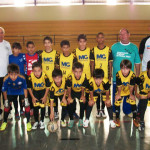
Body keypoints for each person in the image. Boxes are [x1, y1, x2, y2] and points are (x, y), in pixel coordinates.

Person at [111, 28, 141, 115]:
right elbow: (110, 61)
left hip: (129, 78)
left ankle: (127, 111)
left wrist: (137, 75)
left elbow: (137, 62)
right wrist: (110, 73)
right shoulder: (114, 47)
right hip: (117, 77)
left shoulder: (134, 47)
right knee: (116, 94)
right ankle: (115, 110)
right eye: (120, 34)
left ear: (129, 35)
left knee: (129, 94)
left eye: (124, 34)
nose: (122, 36)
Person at [0, 64, 31, 131]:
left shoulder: (22, 78)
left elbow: (25, 88)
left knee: (26, 104)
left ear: (18, 73)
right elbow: (4, 90)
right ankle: (4, 122)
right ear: (8, 74)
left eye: (15, 74)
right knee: (7, 106)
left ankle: (28, 122)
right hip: (11, 92)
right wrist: (6, 100)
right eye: (11, 74)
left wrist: (25, 98)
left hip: (21, 91)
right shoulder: (6, 79)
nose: (13, 77)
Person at [90, 32, 113, 118]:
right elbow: (92, 63)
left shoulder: (108, 50)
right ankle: (98, 110)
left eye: (102, 37)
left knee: (104, 93)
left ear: (104, 39)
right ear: (96, 39)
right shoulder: (93, 50)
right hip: (96, 76)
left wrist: (110, 75)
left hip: (105, 76)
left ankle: (102, 110)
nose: (100, 39)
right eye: (98, 37)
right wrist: (93, 75)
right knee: (97, 93)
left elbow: (110, 63)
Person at [115, 60, 139, 127]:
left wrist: (131, 94)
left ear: (130, 69)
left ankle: (135, 118)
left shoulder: (132, 75)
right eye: (123, 68)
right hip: (121, 91)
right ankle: (117, 118)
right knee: (117, 101)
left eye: (127, 68)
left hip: (128, 91)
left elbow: (132, 86)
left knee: (133, 101)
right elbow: (119, 86)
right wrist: (118, 94)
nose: (124, 71)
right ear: (120, 68)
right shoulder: (118, 74)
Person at [27, 62, 50, 130]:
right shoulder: (30, 77)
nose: (37, 73)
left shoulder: (45, 76)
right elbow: (29, 88)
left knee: (43, 107)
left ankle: (42, 121)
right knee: (35, 107)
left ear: (41, 70)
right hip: (35, 92)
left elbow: (48, 87)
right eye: (35, 71)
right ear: (32, 71)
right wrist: (33, 97)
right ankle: (36, 121)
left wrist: (45, 96)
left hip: (43, 92)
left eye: (39, 71)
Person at [66, 62, 88, 128]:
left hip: (80, 91)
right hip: (72, 91)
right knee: (70, 103)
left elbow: (83, 87)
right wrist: (69, 97)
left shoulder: (84, 76)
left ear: (82, 71)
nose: (78, 74)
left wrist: (83, 95)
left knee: (82, 102)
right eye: (76, 72)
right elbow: (69, 88)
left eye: (80, 72)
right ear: (73, 71)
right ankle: (71, 119)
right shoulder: (70, 77)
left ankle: (81, 119)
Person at [9, 42, 26, 116]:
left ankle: (22, 109)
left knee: (22, 96)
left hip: (22, 79)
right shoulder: (10, 57)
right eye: (16, 49)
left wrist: (24, 74)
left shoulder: (22, 56)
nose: (18, 50)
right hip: (13, 80)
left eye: (19, 49)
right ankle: (16, 111)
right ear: (13, 49)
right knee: (15, 96)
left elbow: (25, 64)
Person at [0, 27, 12, 120]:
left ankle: (8, 112)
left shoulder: (7, 44)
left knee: (7, 96)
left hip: (6, 75)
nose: (0, 34)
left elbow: (10, 58)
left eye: (1, 33)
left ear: (4, 34)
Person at [25, 41, 39, 115]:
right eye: (29, 47)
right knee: (29, 93)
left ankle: (36, 108)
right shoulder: (24, 56)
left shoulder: (37, 56)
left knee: (36, 92)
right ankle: (31, 108)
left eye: (32, 47)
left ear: (34, 47)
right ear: (26, 48)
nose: (31, 49)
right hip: (28, 77)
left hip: (36, 77)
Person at [136, 60, 150, 131]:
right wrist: (136, 93)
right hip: (143, 92)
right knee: (143, 103)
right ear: (148, 69)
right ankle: (141, 120)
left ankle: (139, 114)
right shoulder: (143, 76)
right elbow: (136, 83)